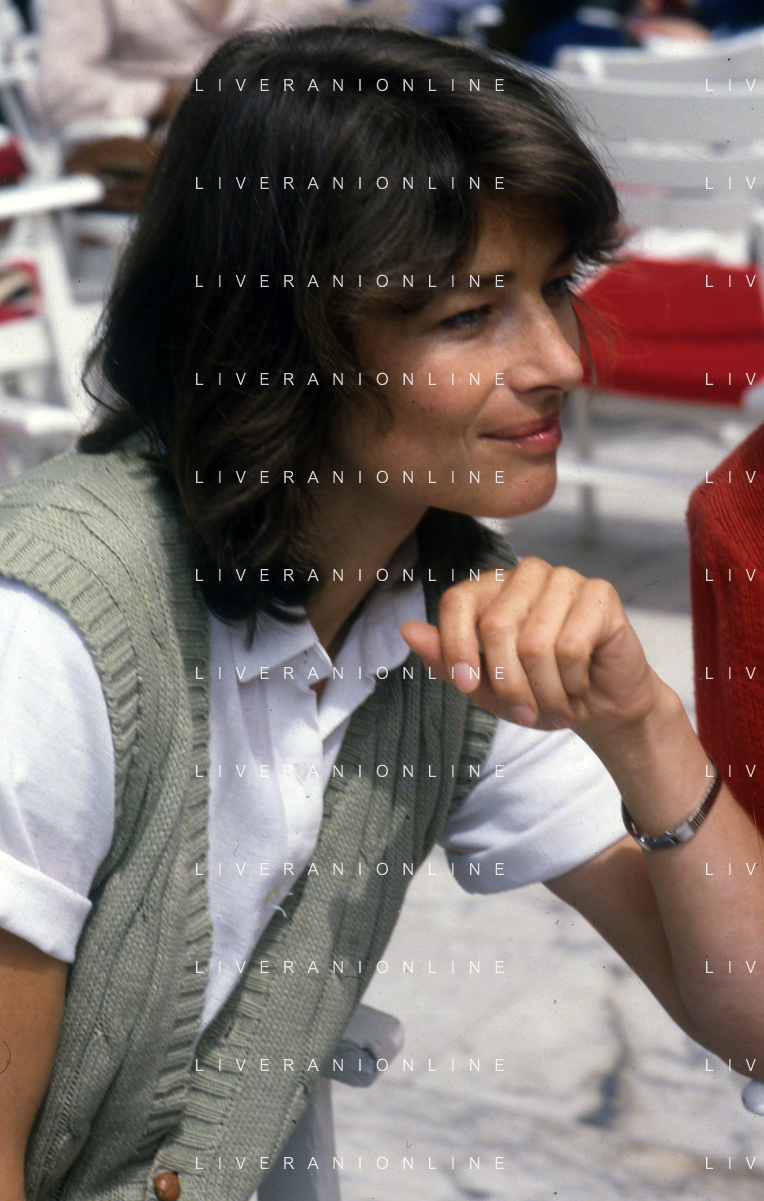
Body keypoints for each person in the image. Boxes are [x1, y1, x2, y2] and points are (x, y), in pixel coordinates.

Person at [1, 24, 764, 1201]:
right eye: (467, 316)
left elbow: (749, 1019)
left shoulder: (443, 613)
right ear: (276, 345)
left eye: (552, 289)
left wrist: (643, 726)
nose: (559, 360)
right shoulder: (52, 639)